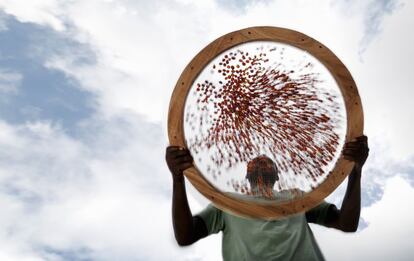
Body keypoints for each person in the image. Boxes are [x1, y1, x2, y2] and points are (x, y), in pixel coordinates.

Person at [165, 135, 369, 260]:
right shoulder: (228, 202)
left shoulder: (294, 196)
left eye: (268, 162)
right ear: (247, 176)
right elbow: (185, 236)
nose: (262, 162)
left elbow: (347, 223)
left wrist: (355, 170)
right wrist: (177, 178)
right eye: (255, 163)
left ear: (277, 175)